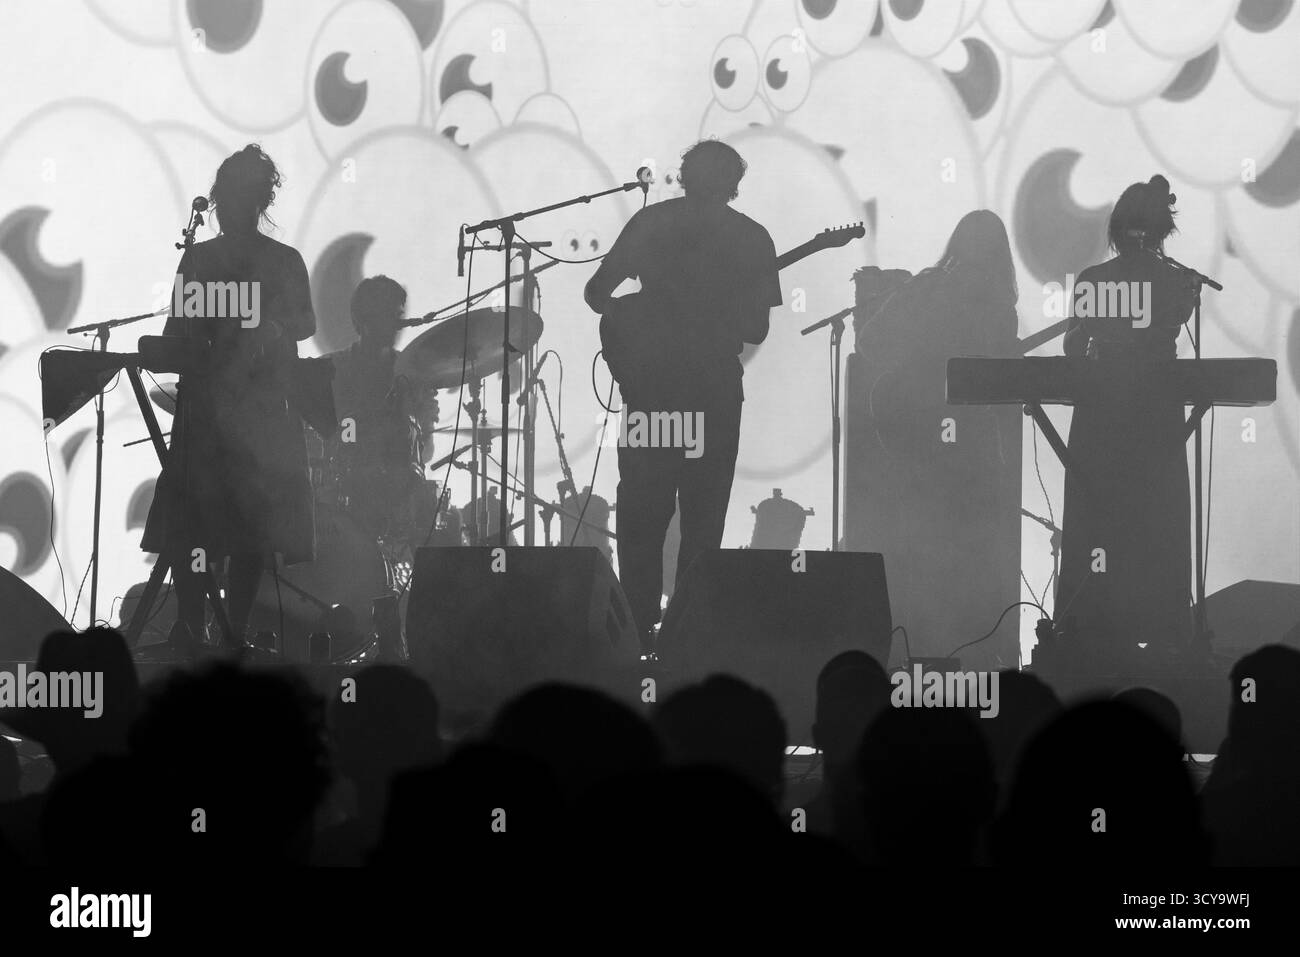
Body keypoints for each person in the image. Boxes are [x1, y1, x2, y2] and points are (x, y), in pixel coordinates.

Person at [583, 140, 781, 653]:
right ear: (733, 184)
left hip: (652, 394)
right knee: (703, 515)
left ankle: (634, 634)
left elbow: (596, 294)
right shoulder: (753, 238)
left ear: (684, 176)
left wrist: (642, 311)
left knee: (642, 515)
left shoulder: (652, 224)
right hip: (712, 396)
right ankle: (689, 639)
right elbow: (756, 329)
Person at [140, 144, 316, 648]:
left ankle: (229, 626)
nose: (233, 204)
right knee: (195, 520)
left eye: (243, 195)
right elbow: (176, 332)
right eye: (229, 195)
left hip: (261, 415)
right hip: (208, 412)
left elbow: (306, 321)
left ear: (258, 200)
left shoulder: (283, 261)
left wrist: (275, 327)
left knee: (251, 526)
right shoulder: (199, 258)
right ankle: (192, 623)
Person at [852, 210, 1021, 666]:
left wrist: (909, 373)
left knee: (916, 533)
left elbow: (869, 341)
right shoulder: (996, 302)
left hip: (909, 431)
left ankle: (911, 649)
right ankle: (961, 653)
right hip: (964, 439)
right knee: (965, 540)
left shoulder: (924, 286)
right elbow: (1002, 372)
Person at [1056, 175, 1198, 662]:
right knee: (1157, 518)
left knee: (1095, 521)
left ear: (1118, 227)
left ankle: (1086, 628)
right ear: (1163, 229)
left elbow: (1074, 348)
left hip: (1101, 420)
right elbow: (1163, 341)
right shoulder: (1179, 282)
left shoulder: (1093, 282)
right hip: (1156, 421)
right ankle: (1165, 631)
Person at [324, 275, 439, 540]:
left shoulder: (414, 376)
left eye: (398, 314)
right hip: (345, 490)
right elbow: (325, 437)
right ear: (361, 320)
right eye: (385, 314)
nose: (396, 323)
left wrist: (421, 429)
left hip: (401, 496)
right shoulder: (333, 370)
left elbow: (427, 450)